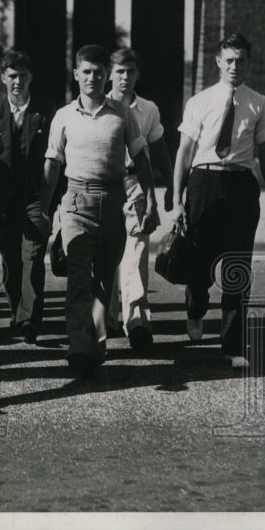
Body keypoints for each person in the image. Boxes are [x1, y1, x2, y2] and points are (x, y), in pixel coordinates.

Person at [37, 44, 158, 375]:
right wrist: (44, 209)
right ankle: (79, 347)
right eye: (86, 72)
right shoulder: (62, 117)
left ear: (107, 76)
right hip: (76, 200)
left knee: (105, 278)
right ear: (76, 74)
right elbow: (52, 164)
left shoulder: (122, 113)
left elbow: (141, 158)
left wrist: (150, 199)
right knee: (79, 277)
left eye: (99, 72)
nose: (93, 78)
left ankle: (96, 342)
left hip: (114, 199)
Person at [173, 34, 265, 369]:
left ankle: (233, 346)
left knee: (237, 267)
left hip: (241, 185)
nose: (235, 66)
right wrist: (177, 201)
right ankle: (195, 308)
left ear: (249, 63)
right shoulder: (199, 101)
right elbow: (185, 153)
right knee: (199, 260)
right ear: (218, 62)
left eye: (241, 60)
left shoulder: (258, 103)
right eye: (229, 60)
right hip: (205, 180)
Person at [106, 48, 175, 351]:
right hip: (105, 185)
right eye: (119, 71)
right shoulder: (99, 105)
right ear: (110, 74)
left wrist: (171, 185)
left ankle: (137, 322)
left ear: (138, 75)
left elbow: (159, 149)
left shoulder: (148, 109)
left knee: (135, 254)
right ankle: (106, 319)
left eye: (130, 71)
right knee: (106, 255)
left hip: (136, 184)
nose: (125, 77)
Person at [0, 50, 55, 344]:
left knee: (33, 256)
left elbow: (57, 158)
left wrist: (53, 199)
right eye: (12, 76)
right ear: (3, 78)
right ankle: (17, 309)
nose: (18, 82)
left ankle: (29, 319)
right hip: (4, 199)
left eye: (23, 76)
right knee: (11, 257)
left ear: (31, 78)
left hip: (36, 197)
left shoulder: (46, 111)